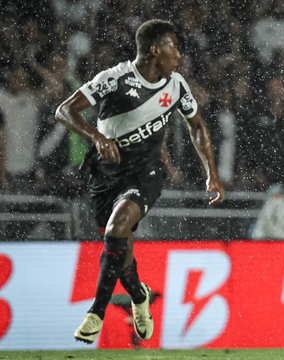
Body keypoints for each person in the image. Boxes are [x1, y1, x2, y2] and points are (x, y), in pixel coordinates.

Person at [55, 19, 225, 344]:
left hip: (145, 173)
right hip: (105, 174)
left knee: (118, 229)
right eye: (174, 47)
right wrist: (95, 136)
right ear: (154, 49)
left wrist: (211, 174)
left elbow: (197, 126)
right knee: (120, 249)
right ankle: (139, 295)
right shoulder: (113, 79)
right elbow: (65, 110)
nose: (179, 55)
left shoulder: (176, 85)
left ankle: (96, 312)